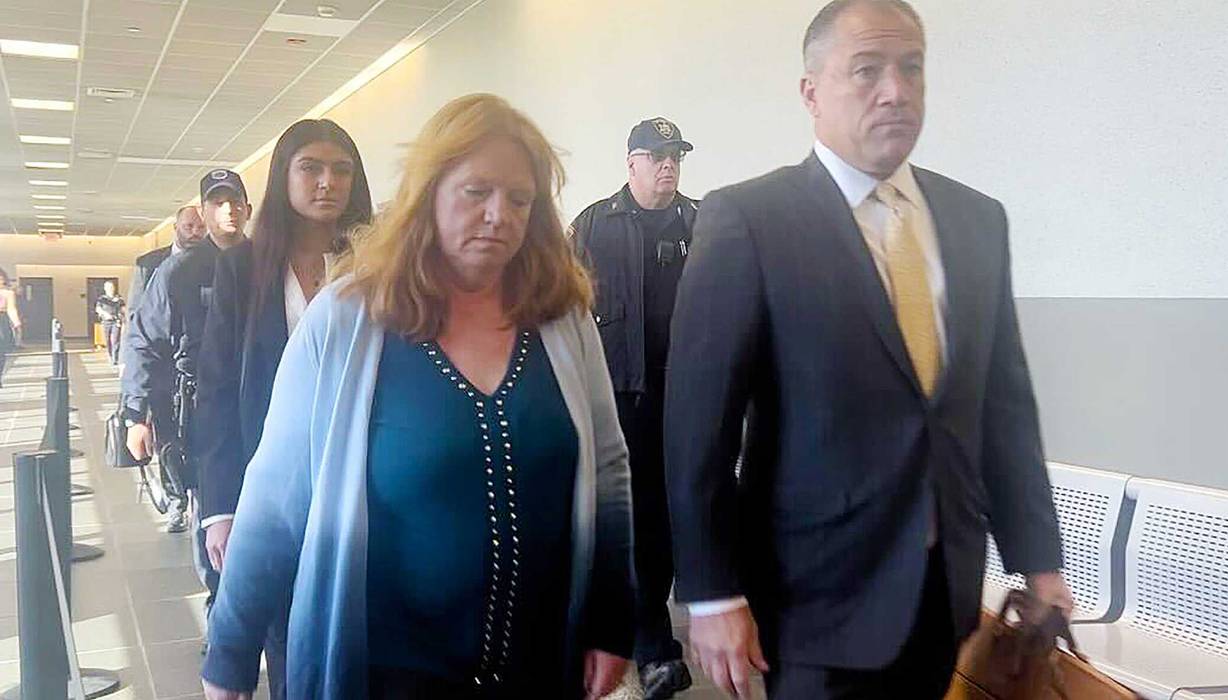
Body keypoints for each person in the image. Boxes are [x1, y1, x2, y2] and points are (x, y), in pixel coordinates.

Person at [663, 2, 1073, 698]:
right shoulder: (750, 220)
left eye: (911, 68)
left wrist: (1039, 563)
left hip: (942, 595)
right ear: (810, 92)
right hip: (812, 602)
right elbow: (697, 429)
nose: (896, 90)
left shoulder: (976, 222)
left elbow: (1003, 411)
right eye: (866, 70)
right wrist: (710, 593)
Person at [201, 93, 634, 700]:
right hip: (388, 668)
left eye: (519, 199)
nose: (498, 215)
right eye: (476, 192)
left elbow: (609, 474)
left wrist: (613, 620)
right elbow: (274, 496)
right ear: (428, 193)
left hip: (540, 663)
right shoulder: (350, 318)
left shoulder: (561, 319)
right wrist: (231, 652)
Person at [195, 118, 374, 700]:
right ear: (283, 178)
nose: (328, 182)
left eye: (341, 170)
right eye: (311, 168)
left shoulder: (376, 265)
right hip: (270, 482)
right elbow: (218, 389)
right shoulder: (243, 266)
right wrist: (220, 507)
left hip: (361, 476)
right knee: (284, 636)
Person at [569, 118, 697, 700]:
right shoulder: (594, 226)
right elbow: (564, 313)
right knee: (626, 525)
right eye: (656, 156)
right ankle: (647, 646)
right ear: (631, 164)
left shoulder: (703, 224)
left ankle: (652, 643)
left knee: (669, 526)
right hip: (619, 402)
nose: (668, 165)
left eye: (675, 156)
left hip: (685, 403)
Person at [122, 172, 249, 603]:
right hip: (197, 412)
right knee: (211, 513)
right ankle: (221, 612)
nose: (227, 211)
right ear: (203, 212)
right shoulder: (180, 271)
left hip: (256, 404)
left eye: (235, 202)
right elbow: (143, 339)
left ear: (248, 210)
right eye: (217, 203)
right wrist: (136, 414)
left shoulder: (266, 264)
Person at [127, 205, 206, 319]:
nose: (195, 232)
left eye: (201, 227)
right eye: (189, 226)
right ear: (175, 227)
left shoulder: (217, 263)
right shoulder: (147, 264)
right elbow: (135, 311)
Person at [0, 268, 22, 388]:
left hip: (1, 320)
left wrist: (16, 322)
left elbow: (11, 309)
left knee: (1, 350)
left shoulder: (8, 293)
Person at [95, 280, 125, 366]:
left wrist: (123, 319)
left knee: (116, 340)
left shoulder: (119, 298)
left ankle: (115, 358)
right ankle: (110, 355)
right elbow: (98, 309)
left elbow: (123, 309)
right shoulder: (102, 299)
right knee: (107, 339)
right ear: (105, 289)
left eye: (111, 287)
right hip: (106, 321)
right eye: (108, 287)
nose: (110, 289)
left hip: (116, 321)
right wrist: (105, 314)